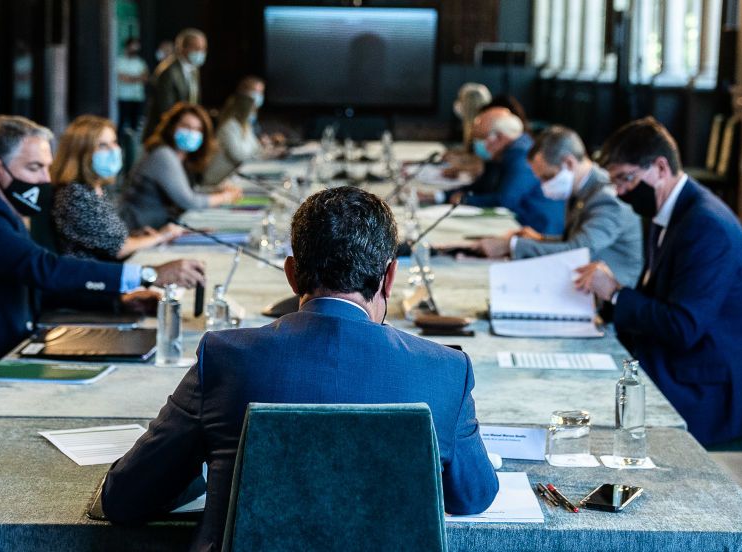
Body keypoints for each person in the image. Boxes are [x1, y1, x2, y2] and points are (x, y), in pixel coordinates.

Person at [101, 186, 499, 550]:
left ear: (291, 274)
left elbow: (125, 499)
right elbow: (473, 496)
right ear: (390, 277)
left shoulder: (224, 356)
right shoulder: (446, 371)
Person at [0, 116, 205, 421]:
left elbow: (34, 284)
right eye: (34, 168)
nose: (46, 179)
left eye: (46, 166)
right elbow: (42, 268)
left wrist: (117, 300)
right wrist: (148, 274)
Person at [574, 117, 742, 446]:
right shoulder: (670, 211)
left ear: (660, 168)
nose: (620, 191)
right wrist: (607, 304)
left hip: (706, 384)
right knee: (579, 375)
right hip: (680, 362)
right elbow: (661, 300)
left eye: (626, 178)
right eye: (615, 182)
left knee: (585, 399)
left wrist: (616, 294)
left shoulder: (706, 226)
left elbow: (684, 327)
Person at [473, 125, 643, 287]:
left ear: (569, 163)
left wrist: (512, 245)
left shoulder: (607, 197)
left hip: (608, 297)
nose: (542, 185)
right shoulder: (581, 188)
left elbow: (577, 252)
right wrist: (540, 239)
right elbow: (575, 240)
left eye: (547, 177)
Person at [51, 115, 185, 260]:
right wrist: (161, 236)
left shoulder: (95, 188)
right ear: (81, 153)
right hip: (92, 273)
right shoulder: (75, 194)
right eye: (102, 145)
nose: (113, 150)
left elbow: (108, 237)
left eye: (114, 142)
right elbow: (119, 248)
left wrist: (135, 236)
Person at [433, 107, 565, 235]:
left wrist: (465, 199)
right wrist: (443, 195)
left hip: (539, 230)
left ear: (500, 138)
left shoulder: (521, 156)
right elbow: (484, 185)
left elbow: (506, 200)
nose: (477, 144)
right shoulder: (504, 153)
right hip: (522, 223)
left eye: (482, 138)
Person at [120, 103, 243, 230]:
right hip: (135, 230)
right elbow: (188, 201)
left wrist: (216, 191)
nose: (192, 133)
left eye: (198, 129)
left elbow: (186, 191)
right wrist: (224, 197)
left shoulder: (180, 157)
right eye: (186, 126)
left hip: (155, 228)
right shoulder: (163, 155)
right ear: (172, 127)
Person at [144, 28, 207, 139]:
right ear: (182, 48)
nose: (200, 53)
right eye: (196, 48)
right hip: (164, 133)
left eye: (203, 49)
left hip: (186, 130)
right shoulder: (168, 72)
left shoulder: (194, 70)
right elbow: (166, 110)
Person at [202, 92, 274, 185]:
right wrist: (258, 153)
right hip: (217, 180)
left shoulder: (245, 126)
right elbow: (238, 155)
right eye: (252, 110)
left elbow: (256, 147)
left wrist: (267, 150)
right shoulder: (228, 126)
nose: (254, 114)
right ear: (244, 110)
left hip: (232, 177)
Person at [116, 38, 149, 134]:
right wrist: (137, 78)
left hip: (137, 97)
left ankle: (133, 141)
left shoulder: (140, 62)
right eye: (133, 46)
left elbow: (145, 78)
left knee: (135, 123)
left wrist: (130, 78)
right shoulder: (120, 61)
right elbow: (123, 78)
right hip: (124, 97)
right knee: (122, 121)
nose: (135, 48)